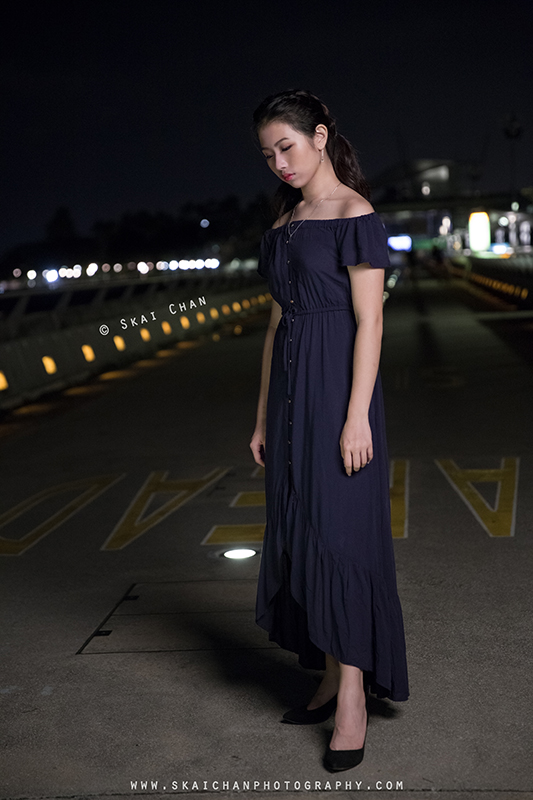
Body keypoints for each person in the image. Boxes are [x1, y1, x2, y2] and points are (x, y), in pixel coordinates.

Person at [249, 89, 409, 773]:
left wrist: (353, 416)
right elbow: (277, 322)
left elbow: (369, 322)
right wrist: (260, 415)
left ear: (318, 136)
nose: (278, 162)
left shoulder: (355, 215)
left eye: (286, 146)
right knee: (302, 532)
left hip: (339, 395)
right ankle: (323, 672)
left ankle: (351, 695)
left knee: (340, 536)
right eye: (266, 154)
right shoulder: (287, 219)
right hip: (289, 397)